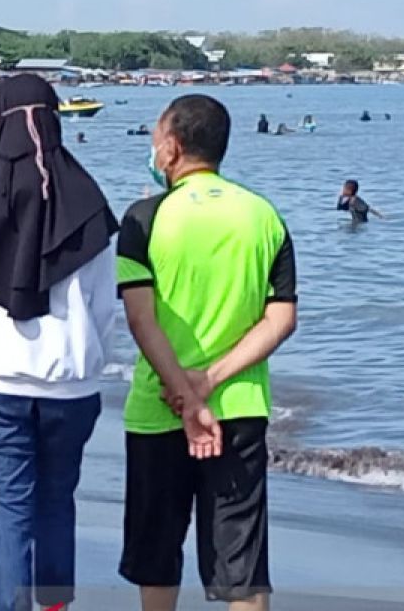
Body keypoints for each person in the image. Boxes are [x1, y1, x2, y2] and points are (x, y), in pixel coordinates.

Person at [116, 95, 297, 611]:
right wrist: (209, 383)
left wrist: (184, 392)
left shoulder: (145, 218)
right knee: (242, 567)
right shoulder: (263, 215)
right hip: (238, 408)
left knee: (157, 559)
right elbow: (281, 319)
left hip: (158, 410)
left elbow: (140, 318)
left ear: (171, 147)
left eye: (156, 137)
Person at [0, 75, 119, 611]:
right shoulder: (88, 203)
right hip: (70, 385)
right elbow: (102, 306)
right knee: (55, 505)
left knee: (9, 511)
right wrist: (88, 363)